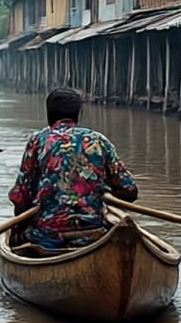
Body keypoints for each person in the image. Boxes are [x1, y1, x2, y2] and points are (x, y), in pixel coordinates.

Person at [8, 87, 139, 251]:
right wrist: (104, 192)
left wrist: (18, 226)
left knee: (22, 237)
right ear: (78, 114)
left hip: (47, 234)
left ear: (49, 114)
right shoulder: (98, 141)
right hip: (92, 231)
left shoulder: (37, 141)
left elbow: (21, 196)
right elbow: (130, 191)